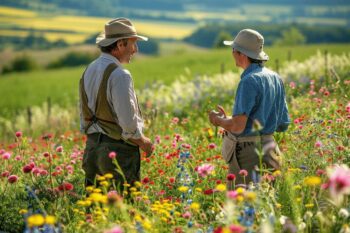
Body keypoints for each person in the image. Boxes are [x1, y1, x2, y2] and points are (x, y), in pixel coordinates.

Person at [208, 29, 290, 188]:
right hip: (271, 150)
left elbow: (238, 126)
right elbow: (283, 124)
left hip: (249, 155)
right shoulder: (275, 77)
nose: (232, 53)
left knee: (242, 206)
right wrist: (230, 120)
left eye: (233, 49)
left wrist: (218, 120)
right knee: (269, 204)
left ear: (241, 54)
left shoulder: (248, 81)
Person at [79, 18, 154, 192]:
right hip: (116, 153)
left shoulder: (89, 69)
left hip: (91, 150)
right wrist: (144, 142)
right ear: (120, 44)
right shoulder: (121, 75)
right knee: (124, 210)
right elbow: (127, 124)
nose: (135, 50)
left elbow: (84, 116)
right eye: (133, 44)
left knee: (95, 210)